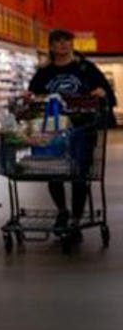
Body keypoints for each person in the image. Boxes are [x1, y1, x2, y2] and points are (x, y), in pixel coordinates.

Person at [27, 29, 117, 229]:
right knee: (53, 173)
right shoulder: (44, 73)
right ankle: (62, 211)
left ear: (72, 44)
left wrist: (102, 93)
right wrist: (28, 98)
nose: (63, 45)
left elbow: (108, 95)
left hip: (83, 129)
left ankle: (76, 218)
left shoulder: (85, 68)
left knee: (80, 175)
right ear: (51, 46)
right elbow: (32, 96)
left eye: (67, 41)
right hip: (53, 132)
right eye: (58, 41)